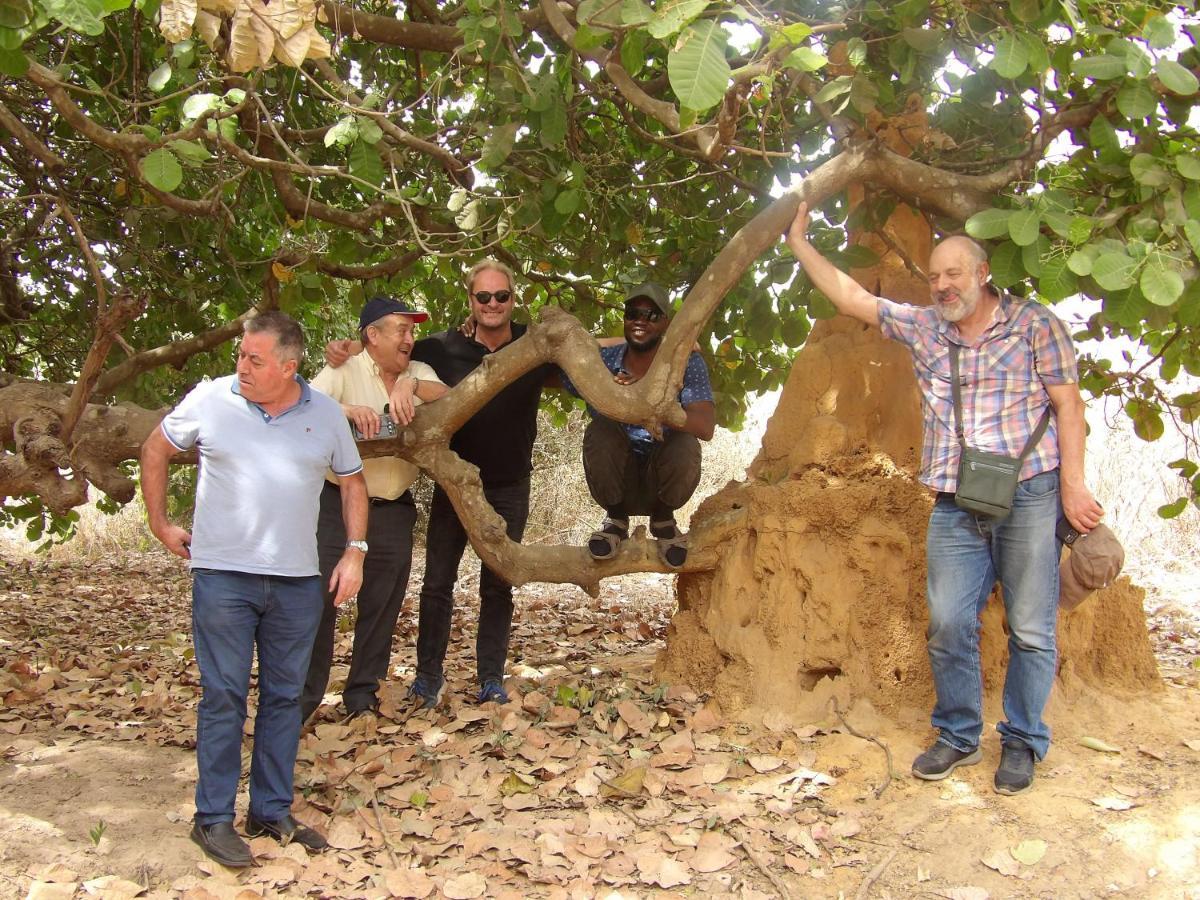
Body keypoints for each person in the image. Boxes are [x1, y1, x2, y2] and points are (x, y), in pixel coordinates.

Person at [785, 201, 1103, 796]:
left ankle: (1022, 740)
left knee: (1031, 628)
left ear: (982, 273)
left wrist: (1073, 486)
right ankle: (958, 734)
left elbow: (1068, 406)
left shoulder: (1036, 324)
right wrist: (799, 241)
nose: (942, 285)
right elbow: (853, 297)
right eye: (934, 275)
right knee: (948, 623)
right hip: (956, 501)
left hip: (1030, 492)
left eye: (953, 273)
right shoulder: (925, 325)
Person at [140, 311, 368, 867]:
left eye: (254, 359)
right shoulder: (212, 398)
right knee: (224, 695)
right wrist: (160, 524)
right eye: (241, 355)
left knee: (286, 698)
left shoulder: (326, 414)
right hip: (223, 577)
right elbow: (155, 449)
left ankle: (270, 810)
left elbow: (353, 483)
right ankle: (213, 819)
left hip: (295, 583)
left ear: (289, 368)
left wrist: (354, 552)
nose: (241, 366)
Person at [327, 259, 554, 708]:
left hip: (511, 485)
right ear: (470, 300)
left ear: (513, 299)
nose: (492, 304)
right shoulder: (440, 348)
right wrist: (349, 347)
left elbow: (584, 347)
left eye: (501, 296)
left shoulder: (534, 343)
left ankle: (491, 677)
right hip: (455, 480)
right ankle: (428, 677)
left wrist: (644, 343)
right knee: (437, 584)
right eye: (483, 296)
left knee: (498, 583)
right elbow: (387, 348)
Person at [301, 297, 448, 722]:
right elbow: (304, 402)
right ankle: (305, 702)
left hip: (393, 510)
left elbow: (452, 396)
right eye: (401, 330)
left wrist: (411, 387)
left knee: (381, 608)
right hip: (335, 507)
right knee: (319, 604)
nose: (409, 338)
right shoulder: (343, 368)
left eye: (412, 330)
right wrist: (346, 411)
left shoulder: (417, 371)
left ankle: (362, 697)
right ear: (373, 336)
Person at [561, 282, 715, 567]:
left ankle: (663, 519)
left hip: (663, 480)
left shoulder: (686, 363)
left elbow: (706, 427)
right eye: (633, 314)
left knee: (685, 442)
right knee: (601, 430)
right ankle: (616, 519)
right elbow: (562, 357)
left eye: (651, 315)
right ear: (625, 319)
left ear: (665, 322)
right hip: (619, 481)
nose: (641, 321)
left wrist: (656, 408)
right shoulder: (604, 360)